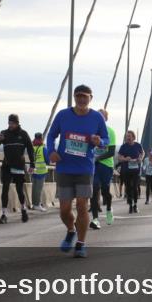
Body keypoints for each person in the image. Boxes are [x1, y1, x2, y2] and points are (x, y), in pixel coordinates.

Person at [45, 84, 109, 258]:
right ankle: (71, 230)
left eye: (85, 96)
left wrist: (99, 141)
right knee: (64, 210)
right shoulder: (63, 115)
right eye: (78, 96)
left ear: (91, 98)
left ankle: (81, 243)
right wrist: (51, 151)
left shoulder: (96, 118)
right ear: (74, 97)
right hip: (65, 167)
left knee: (82, 205)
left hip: (85, 168)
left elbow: (106, 139)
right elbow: (51, 135)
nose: (81, 99)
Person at [0, 114, 35, 224]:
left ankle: (23, 209)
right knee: (5, 188)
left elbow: (30, 149)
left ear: (17, 123)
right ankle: (4, 214)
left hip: (19, 166)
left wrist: (32, 164)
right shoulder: (4, 133)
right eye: (9, 123)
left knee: (19, 190)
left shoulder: (23, 134)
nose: (10, 125)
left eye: (12, 123)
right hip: (7, 165)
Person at [91, 109, 118, 227]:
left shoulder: (110, 132)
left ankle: (108, 209)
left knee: (105, 191)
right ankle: (95, 219)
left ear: (106, 119)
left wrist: (97, 158)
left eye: (102, 117)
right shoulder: (91, 131)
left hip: (106, 165)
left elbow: (111, 152)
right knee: (94, 188)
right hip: (93, 165)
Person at [116, 130, 145, 212]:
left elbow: (142, 153)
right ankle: (130, 204)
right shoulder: (123, 147)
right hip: (126, 171)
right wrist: (125, 159)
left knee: (135, 187)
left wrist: (140, 158)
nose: (127, 138)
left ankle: (135, 205)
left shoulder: (138, 145)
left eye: (129, 136)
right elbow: (119, 157)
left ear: (133, 137)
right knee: (128, 188)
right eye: (127, 136)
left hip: (136, 170)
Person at [30, 132, 50, 211]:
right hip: (41, 172)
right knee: (39, 189)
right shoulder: (43, 148)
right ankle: (37, 204)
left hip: (34, 171)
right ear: (41, 139)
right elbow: (48, 161)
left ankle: (34, 205)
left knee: (34, 189)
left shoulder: (32, 147)